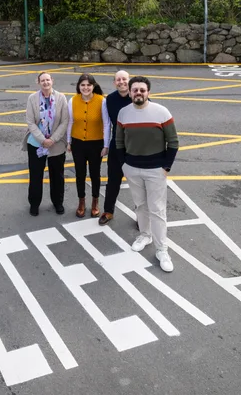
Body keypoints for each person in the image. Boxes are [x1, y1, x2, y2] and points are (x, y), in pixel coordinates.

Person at [115, 76, 179, 273]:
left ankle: (162, 250)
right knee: (140, 206)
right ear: (130, 92)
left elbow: (173, 142)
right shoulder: (123, 113)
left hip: (155, 170)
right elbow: (118, 142)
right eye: (135, 90)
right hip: (132, 168)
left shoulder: (161, 112)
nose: (138, 93)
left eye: (142, 90)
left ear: (148, 92)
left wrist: (165, 167)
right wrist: (123, 165)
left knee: (157, 210)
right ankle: (145, 235)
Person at [25, 72, 69, 216]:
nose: (45, 83)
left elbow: (64, 121)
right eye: (42, 80)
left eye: (47, 80)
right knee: (36, 175)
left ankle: (58, 202)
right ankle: (34, 203)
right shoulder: (32, 98)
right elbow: (30, 122)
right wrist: (43, 140)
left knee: (57, 175)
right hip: (36, 144)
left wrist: (53, 139)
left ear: (52, 81)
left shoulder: (61, 98)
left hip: (56, 144)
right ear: (38, 82)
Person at [65, 73, 107, 218]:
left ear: (93, 86)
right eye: (82, 85)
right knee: (80, 173)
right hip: (78, 143)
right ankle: (81, 201)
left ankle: (95, 201)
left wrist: (106, 145)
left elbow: (107, 125)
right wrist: (68, 141)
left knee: (95, 173)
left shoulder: (102, 101)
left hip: (96, 143)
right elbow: (70, 121)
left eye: (88, 85)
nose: (85, 88)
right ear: (79, 86)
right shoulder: (73, 100)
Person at [98, 70, 132, 226]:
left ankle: (143, 217)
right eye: (118, 79)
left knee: (138, 184)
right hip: (116, 146)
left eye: (124, 79)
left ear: (129, 80)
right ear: (114, 82)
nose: (121, 82)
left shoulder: (137, 97)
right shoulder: (109, 99)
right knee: (113, 181)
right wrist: (106, 145)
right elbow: (107, 125)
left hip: (135, 147)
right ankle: (108, 211)